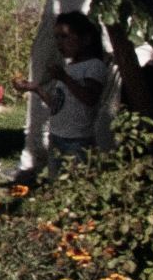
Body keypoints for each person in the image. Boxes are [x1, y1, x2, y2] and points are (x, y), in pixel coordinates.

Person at [28, 12, 115, 180]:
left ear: (85, 39)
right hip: (57, 136)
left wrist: (65, 78)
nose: (59, 43)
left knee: (76, 182)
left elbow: (90, 98)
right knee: (56, 182)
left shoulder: (94, 66)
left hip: (77, 141)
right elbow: (57, 105)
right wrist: (36, 89)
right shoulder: (69, 66)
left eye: (65, 36)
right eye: (57, 37)